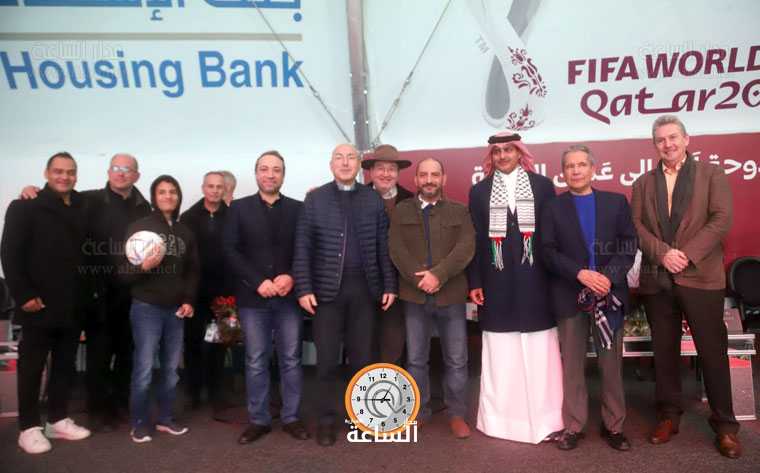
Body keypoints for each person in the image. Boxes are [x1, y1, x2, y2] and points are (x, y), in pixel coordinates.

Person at [631, 115, 741, 458]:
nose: (668, 144)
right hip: (658, 278)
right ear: (654, 145)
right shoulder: (642, 183)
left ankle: (725, 426)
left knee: (712, 352)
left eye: (673, 137)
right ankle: (669, 415)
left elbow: (721, 219)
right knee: (664, 353)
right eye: (661, 139)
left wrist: (687, 255)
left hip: (701, 276)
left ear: (686, 139)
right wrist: (664, 254)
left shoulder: (712, 174)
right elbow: (636, 226)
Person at [19, 153, 152, 432]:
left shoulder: (145, 208)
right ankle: (98, 409)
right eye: (116, 167)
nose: (121, 173)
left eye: (127, 169)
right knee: (98, 354)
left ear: (136, 175)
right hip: (95, 291)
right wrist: (31, 190)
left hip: (132, 291)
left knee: (127, 353)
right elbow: (56, 196)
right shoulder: (88, 200)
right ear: (108, 171)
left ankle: (120, 404)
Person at [293, 143, 397, 446]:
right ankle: (326, 421)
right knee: (326, 361)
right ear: (331, 165)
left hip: (364, 291)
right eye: (339, 157)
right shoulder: (315, 199)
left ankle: (360, 418)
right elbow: (303, 247)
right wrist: (303, 287)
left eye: (351, 157)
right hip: (326, 294)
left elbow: (383, 246)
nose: (345, 162)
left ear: (359, 165)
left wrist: (389, 285)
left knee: (362, 360)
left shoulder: (372, 199)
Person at [467, 131, 563, 444]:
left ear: (520, 153)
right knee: (501, 351)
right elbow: (476, 240)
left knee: (539, 351)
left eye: (509, 150)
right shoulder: (479, 192)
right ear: (491, 157)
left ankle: (546, 420)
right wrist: (475, 281)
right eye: (497, 152)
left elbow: (552, 236)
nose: (503, 156)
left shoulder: (542, 186)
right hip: (496, 282)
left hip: (536, 281)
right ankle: (501, 422)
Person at [541, 145, 637, 451]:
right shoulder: (552, 208)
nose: (576, 170)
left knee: (611, 366)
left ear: (593, 169)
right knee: (572, 366)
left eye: (582, 164)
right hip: (570, 296)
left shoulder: (616, 202)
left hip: (609, 295)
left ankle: (614, 426)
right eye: (570, 166)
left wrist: (607, 277)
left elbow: (629, 243)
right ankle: (573, 426)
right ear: (563, 172)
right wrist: (580, 274)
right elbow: (547, 251)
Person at [2, 152, 92, 454]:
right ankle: (28, 427)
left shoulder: (82, 205)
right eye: (58, 171)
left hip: (72, 302)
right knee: (32, 366)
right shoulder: (24, 206)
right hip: (37, 303)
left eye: (70, 172)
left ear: (76, 175)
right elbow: (10, 254)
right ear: (46, 173)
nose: (64, 176)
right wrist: (23, 295)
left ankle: (57, 419)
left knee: (64, 365)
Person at [224, 151, 309, 444]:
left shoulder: (299, 209)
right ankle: (258, 420)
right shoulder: (239, 208)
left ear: (283, 175)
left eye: (276, 170)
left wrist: (292, 276)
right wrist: (257, 281)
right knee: (256, 359)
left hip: (288, 297)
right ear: (256, 173)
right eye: (264, 169)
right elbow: (230, 250)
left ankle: (291, 417)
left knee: (291, 359)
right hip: (253, 298)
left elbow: (305, 249)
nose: (270, 174)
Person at [388, 158, 475, 438]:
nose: (429, 179)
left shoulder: (460, 211)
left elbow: (465, 247)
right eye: (423, 175)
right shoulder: (401, 211)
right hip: (414, 296)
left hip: (451, 295)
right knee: (415, 359)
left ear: (443, 179)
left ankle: (457, 414)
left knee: (457, 360)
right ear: (415, 180)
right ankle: (419, 412)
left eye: (434, 174)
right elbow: (397, 250)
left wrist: (438, 275)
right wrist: (420, 280)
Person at [124, 175, 200, 443]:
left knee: (170, 371)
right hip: (146, 308)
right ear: (154, 197)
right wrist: (143, 266)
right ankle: (139, 423)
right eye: (162, 192)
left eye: (172, 192)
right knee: (144, 369)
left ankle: (166, 419)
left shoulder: (185, 232)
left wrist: (189, 300)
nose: (168, 196)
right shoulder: (139, 228)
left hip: (176, 311)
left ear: (178, 197)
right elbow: (123, 273)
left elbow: (192, 271)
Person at [180, 172, 229, 411]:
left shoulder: (233, 216)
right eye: (210, 186)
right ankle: (193, 392)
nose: (215, 190)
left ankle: (217, 393)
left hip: (224, 293)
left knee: (219, 344)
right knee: (193, 343)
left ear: (224, 190)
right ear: (203, 188)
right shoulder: (188, 217)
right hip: (195, 293)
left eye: (219, 187)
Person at [362, 144, 414, 364]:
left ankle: (390, 385)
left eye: (391, 169)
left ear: (398, 173)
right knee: (364, 344)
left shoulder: (411, 201)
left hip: (400, 286)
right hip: (363, 285)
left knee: (393, 345)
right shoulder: (357, 197)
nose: (386, 173)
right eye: (380, 168)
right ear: (371, 171)